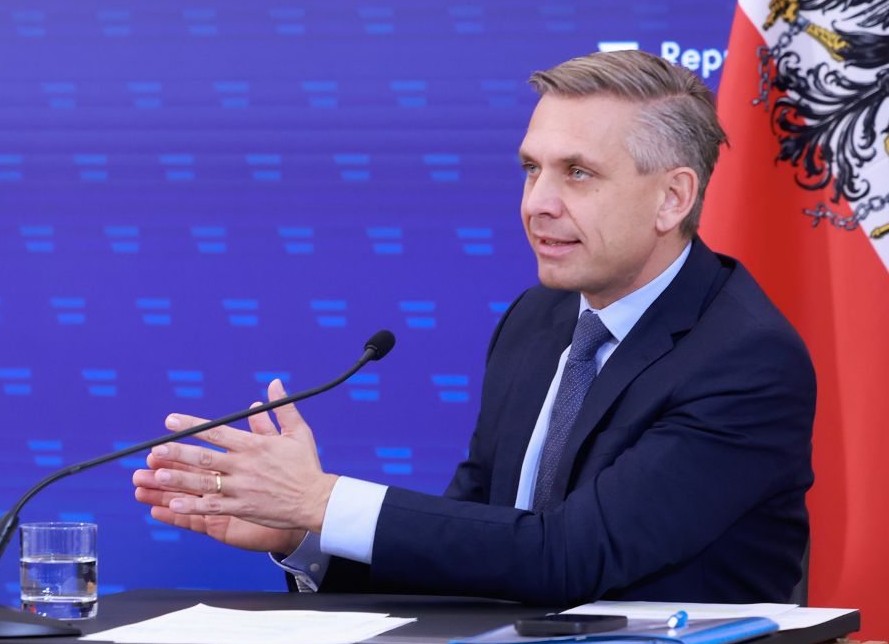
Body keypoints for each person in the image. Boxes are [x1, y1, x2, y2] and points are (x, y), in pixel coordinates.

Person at [131, 50, 815, 605]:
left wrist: (324, 498)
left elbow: (568, 556)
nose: (538, 203)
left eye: (578, 174)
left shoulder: (744, 358)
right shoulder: (537, 321)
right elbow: (477, 546)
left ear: (673, 198)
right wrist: (304, 533)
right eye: (531, 170)